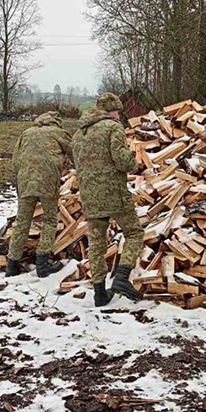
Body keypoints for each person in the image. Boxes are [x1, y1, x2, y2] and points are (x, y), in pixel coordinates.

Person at [72, 93, 144, 306]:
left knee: (96, 243)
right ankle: (121, 278)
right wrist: (135, 162)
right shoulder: (113, 127)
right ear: (110, 110)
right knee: (134, 232)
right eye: (118, 111)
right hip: (113, 192)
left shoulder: (78, 134)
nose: (119, 115)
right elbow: (122, 161)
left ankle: (99, 293)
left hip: (89, 196)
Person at [7, 111, 73, 278]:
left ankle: (12, 265)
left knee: (22, 221)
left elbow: (15, 161)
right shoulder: (59, 133)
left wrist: (25, 175)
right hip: (48, 182)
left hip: (25, 182)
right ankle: (42, 264)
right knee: (50, 220)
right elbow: (76, 153)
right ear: (56, 122)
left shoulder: (26, 133)